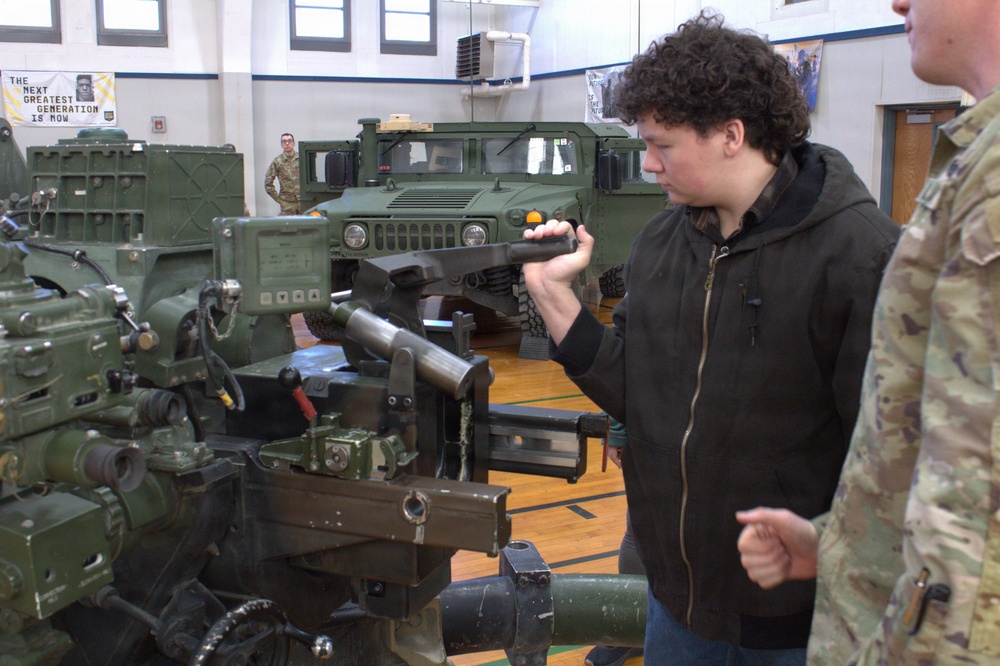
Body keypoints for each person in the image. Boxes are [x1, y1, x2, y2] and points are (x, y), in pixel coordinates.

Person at [522, 10, 900, 665]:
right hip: (677, 605)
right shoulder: (661, 242)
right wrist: (556, 301)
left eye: (662, 145)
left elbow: (887, 452)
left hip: (798, 620)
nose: (648, 164)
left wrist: (825, 545)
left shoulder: (858, 254)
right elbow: (634, 393)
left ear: (732, 134)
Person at [737, 0, 1000, 663]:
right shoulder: (976, 157)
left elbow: (979, 503)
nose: (897, 4)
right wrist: (842, 545)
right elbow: (927, 438)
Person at [264, 132, 300, 215]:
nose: (287, 143)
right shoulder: (277, 161)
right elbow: (268, 184)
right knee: (288, 226)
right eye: (284, 141)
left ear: (294, 143)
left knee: (306, 226)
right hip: (287, 203)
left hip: (303, 201)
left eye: (289, 141)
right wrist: (279, 200)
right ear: (281, 145)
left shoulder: (301, 158)